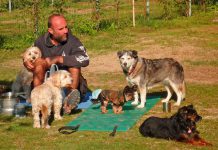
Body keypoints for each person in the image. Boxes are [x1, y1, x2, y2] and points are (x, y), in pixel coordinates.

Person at [24, 14, 89, 111]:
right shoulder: (40, 41)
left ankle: (69, 101)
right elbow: (29, 54)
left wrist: (59, 59)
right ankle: (39, 101)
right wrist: (26, 62)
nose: (66, 31)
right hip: (47, 84)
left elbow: (85, 59)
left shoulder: (73, 41)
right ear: (51, 31)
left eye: (66, 27)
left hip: (68, 84)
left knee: (74, 65)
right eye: (61, 29)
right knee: (39, 63)